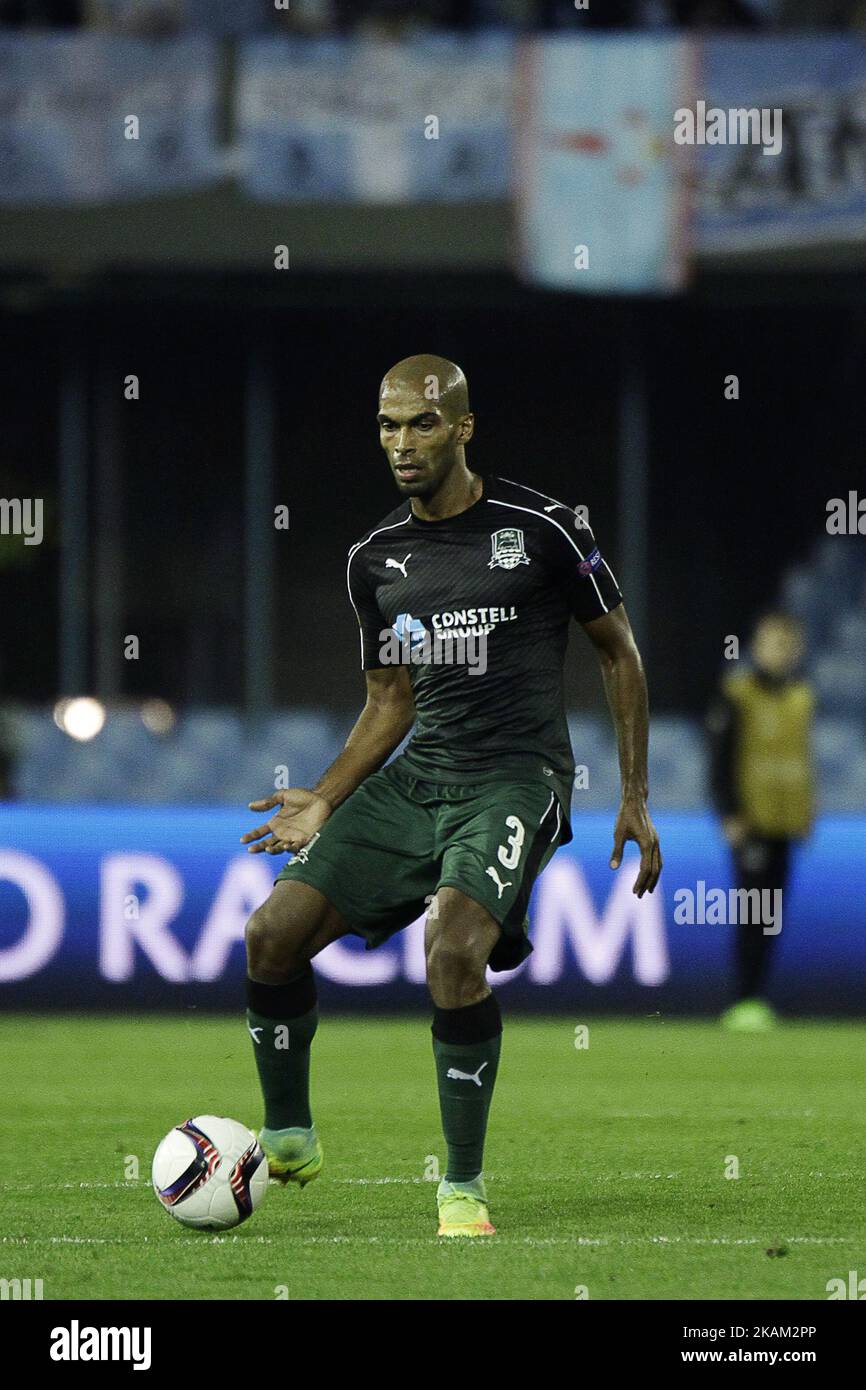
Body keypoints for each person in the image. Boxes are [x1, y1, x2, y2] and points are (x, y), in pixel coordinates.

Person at [241, 354, 661, 1236]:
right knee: (270, 935)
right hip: (419, 777)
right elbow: (389, 701)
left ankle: (461, 1186)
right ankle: (287, 1135)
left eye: (421, 424)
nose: (401, 443)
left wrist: (634, 794)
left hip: (516, 777)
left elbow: (618, 652)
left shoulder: (543, 529)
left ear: (463, 428)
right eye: (388, 426)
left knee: (453, 948)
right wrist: (323, 797)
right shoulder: (375, 559)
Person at [707, 612, 815, 1031]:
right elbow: (721, 759)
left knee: (773, 913)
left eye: (787, 645)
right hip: (749, 822)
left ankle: (757, 998)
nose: (780, 652)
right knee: (753, 910)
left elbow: (802, 760)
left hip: (784, 821)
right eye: (773, 644)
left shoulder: (800, 698)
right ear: (757, 647)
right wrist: (728, 812)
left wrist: (807, 809)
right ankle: (743, 998)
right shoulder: (737, 695)